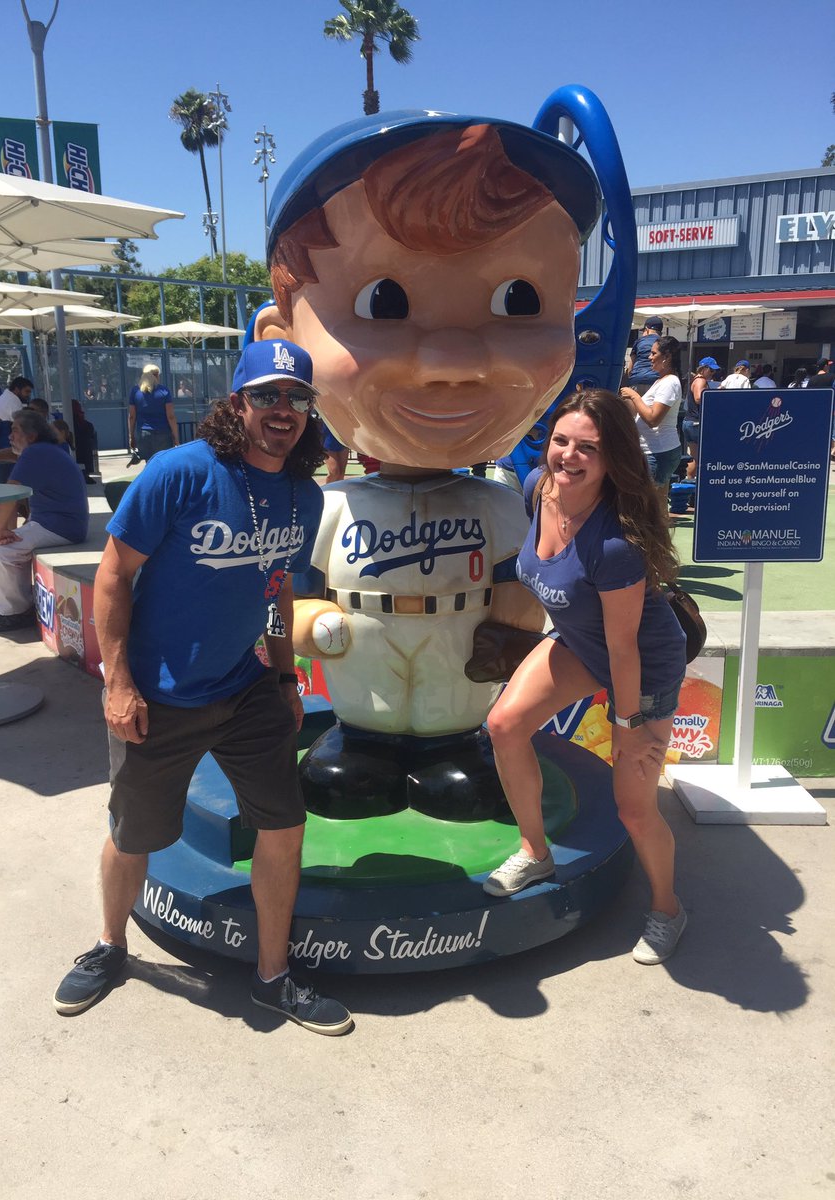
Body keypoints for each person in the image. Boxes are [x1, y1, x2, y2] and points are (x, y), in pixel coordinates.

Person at [253, 111, 600, 818]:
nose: (454, 360)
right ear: (281, 339)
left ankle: (451, 749)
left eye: (519, 299)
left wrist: (515, 624)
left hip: (458, 656)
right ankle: (365, 748)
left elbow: (521, 584)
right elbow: (286, 591)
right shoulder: (327, 506)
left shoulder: (503, 505)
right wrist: (309, 620)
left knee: (455, 754)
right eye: (384, 302)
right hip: (362, 652)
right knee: (354, 767)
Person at [52, 338, 353, 1036]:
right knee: (135, 835)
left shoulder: (304, 498)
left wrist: (283, 675)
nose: (283, 409)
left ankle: (273, 978)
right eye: (267, 395)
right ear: (236, 402)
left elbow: (278, 590)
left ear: (310, 411)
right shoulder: (179, 472)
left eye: (296, 398)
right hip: (159, 696)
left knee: (284, 827)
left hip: (247, 690)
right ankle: (109, 946)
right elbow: (113, 575)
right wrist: (117, 683)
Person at [485, 389, 688, 963]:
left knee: (634, 806)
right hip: (581, 641)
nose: (568, 456)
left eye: (588, 449)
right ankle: (535, 850)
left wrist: (629, 725)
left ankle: (669, 908)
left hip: (642, 664)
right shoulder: (536, 491)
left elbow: (624, 649)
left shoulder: (616, 544)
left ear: (612, 458)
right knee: (503, 725)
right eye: (561, 441)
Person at [0, 410, 89, 632]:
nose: (10, 436)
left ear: (31, 436)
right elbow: (11, 455)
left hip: (60, 526)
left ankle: (17, 612)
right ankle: (20, 604)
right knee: (9, 546)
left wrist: (0, 530)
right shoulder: (47, 450)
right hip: (60, 522)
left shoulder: (35, 453)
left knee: (3, 552)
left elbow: (11, 493)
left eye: (15, 431)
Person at [619, 335, 683, 490]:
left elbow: (653, 418)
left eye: (654, 353)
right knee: (656, 504)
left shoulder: (669, 383)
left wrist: (634, 396)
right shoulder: (661, 381)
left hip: (658, 452)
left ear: (667, 357)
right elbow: (642, 412)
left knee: (645, 504)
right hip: (656, 451)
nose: (649, 357)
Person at [0, 375, 33, 482]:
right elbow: (22, 424)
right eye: (27, 391)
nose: (28, 395)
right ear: (16, 389)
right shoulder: (13, 401)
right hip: (2, 445)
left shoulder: (5, 398)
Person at [127, 364, 178, 461]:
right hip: (163, 432)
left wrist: (131, 436)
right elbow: (170, 416)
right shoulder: (164, 391)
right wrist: (176, 437)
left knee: (149, 462)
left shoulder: (135, 391)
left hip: (144, 433)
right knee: (164, 462)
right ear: (156, 375)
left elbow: (132, 416)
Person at [682, 356, 718, 479]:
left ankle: (690, 481)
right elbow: (698, 398)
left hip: (689, 422)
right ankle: (696, 482)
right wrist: (713, 396)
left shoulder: (695, 380)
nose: (713, 373)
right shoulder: (701, 380)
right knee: (700, 457)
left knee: (694, 457)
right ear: (704, 369)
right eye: (711, 370)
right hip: (696, 422)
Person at [625, 317, 663, 394]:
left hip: (637, 379)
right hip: (656, 380)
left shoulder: (639, 341)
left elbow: (630, 368)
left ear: (647, 329)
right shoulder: (663, 342)